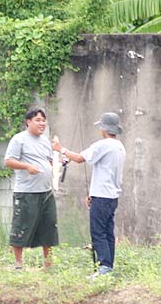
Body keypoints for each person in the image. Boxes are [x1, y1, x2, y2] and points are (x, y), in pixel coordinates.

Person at [53, 112, 126, 276]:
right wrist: (93, 193)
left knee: (98, 232)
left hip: (102, 197)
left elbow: (79, 158)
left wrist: (61, 149)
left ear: (103, 128)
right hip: (111, 197)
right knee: (107, 232)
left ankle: (104, 267)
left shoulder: (103, 145)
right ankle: (108, 265)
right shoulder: (119, 146)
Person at [4, 108, 59, 270]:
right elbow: (9, 161)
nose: (42, 123)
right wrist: (27, 166)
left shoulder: (45, 141)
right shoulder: (19, 139)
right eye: (38, 120)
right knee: (21, 225)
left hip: (46, 192)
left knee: (49, 226)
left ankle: (48, 264)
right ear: (28, 122)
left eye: (43, 120)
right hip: (26, 192)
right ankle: (18, 263)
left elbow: (49, 162)